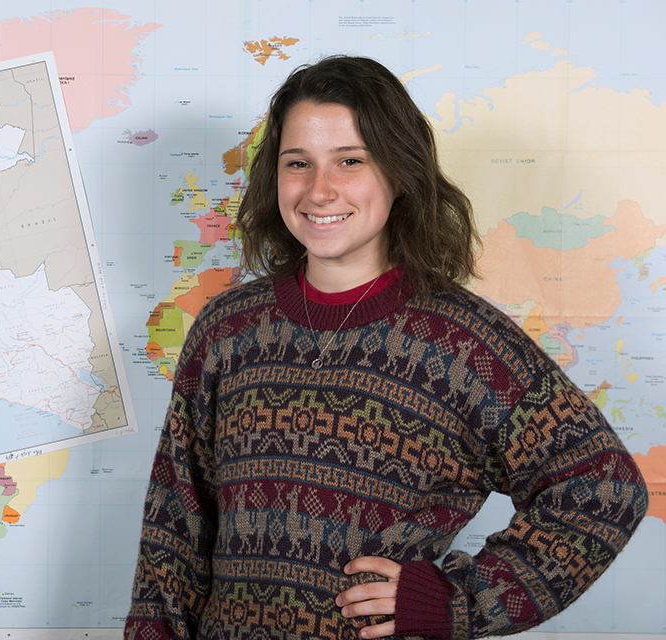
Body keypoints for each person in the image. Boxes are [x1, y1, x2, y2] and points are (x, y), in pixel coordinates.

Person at [124, 55, 648, 640]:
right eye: (298, 164)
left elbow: (604, 490)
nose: (320, 191)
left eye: (350, 161)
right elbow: (174, 528)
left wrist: (454, 602)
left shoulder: (465, 345)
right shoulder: (228, 328)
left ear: (399, 174)